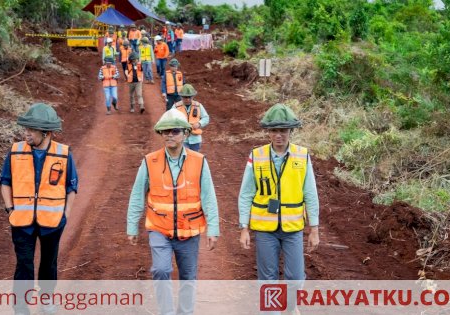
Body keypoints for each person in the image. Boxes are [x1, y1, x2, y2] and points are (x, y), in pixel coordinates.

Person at [127, 109, 219, 315]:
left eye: (175, 131)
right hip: (159, 228)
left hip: (190, 231)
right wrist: (132, 225)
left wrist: (213, 228)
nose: (169, 135)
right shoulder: (149, 161)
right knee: (161, 270)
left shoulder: (199, 161)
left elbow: (209, 197)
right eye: (165, 131)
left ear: (186, 134)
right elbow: (136, 195)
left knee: (188, 277)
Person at [237, 103, 320, 314]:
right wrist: (244, 227)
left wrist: (314, 229)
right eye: (274, 130)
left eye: (283, 130)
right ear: (268, 132)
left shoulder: (302, 156)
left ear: (291, 131)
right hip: (265, 229)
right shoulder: (256, 156)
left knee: (295, 277)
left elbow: (310, 193)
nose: (279, 135)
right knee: (268, 278)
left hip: (293, 228)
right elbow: (246, 193)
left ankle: (291, 308)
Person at [0, 102, 78, 315]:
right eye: (26, 129)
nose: (26, 134)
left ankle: (47, 301)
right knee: (24, 264)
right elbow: (5, 181)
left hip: (52, 223)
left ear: (46, 133)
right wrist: (10, 210)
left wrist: (66, 215)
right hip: (21, 221)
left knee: (48, 264)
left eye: (31, 130)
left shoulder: (63, 154)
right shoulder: (16, 151)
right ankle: (21, 308)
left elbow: (72, 186)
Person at [174, 84, 209, 152]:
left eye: (189, 97)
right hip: (181, 139)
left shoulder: (198, 106)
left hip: (195, 139)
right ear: (181, 97)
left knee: (194, 158)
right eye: (185, 97)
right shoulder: (176, 107)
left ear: (193, 96)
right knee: (184, 158)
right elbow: (171, 119)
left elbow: (206, 118)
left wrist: (199, 123)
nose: (187, 99)